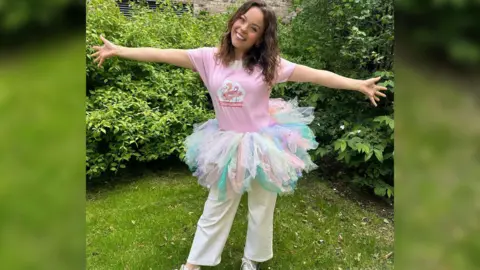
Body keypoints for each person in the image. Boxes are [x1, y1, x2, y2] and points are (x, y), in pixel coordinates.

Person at [91, 1, 387, 269]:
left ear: (261, 37)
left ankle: (252, 259)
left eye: (254, 27)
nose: (243, 28)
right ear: (234, 19)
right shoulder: (209, 58)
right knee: (218, 203)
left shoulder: (269, 66)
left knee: (261, 205)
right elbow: (163, 54)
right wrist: (119, 50)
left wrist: (357, 84)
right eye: (242, 20)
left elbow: (316, 74)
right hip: (227, 143)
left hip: (264, 143)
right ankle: (194, 264)